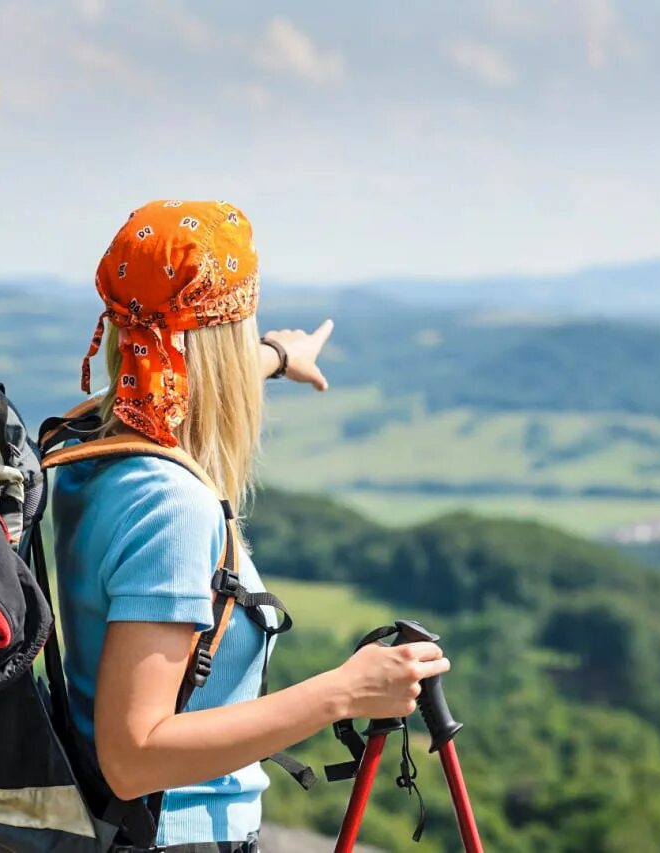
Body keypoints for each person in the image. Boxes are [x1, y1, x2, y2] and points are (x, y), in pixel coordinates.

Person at [54, 200, 449, 851]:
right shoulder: (172, 508)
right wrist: (346, 690)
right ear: (218, 343)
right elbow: (135, 755)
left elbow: (175, 370)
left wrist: (272, 354)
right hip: (172, 835)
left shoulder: (88, 442)